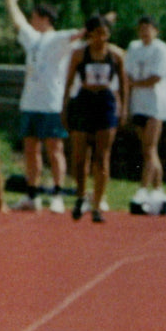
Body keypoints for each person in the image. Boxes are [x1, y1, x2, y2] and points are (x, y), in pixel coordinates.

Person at [5, 0, 83, 212]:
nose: (31, 20)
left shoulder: (58, 39)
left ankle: (57, 194)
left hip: (51, 103)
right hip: (30, 102)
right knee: (30, 149)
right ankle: (32, 194)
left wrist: (103, 21)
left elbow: (82, 34)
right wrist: (11, 2)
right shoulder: (33, 38)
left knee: (54, 148)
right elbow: (19, 22)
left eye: (35, 16)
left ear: (45, 19)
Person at [62, 13, 127, 223]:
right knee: (80, 156)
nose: (101, 38)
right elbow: (69, 82)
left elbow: (125, 84)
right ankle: (81, 196)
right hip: (84, 100)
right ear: (89, 34)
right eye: (97, 34)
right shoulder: (79, 54)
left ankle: (98, 204)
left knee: (102, 156)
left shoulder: (116, 55)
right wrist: (65, 108)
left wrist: (123, 108)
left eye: (105, 34)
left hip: (105, 101)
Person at [125, 15, 166, 205]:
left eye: (148, 28)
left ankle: (143, 188)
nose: (144, 32)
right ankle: (158, 188)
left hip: (155, 105)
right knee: (148, 151)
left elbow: (156, 77)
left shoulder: (161, 49)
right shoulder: (133, 47)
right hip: (139, 104)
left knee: (150, 147)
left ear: (155, 30)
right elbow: (127, 73)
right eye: (141, 28)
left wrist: (135, 83)